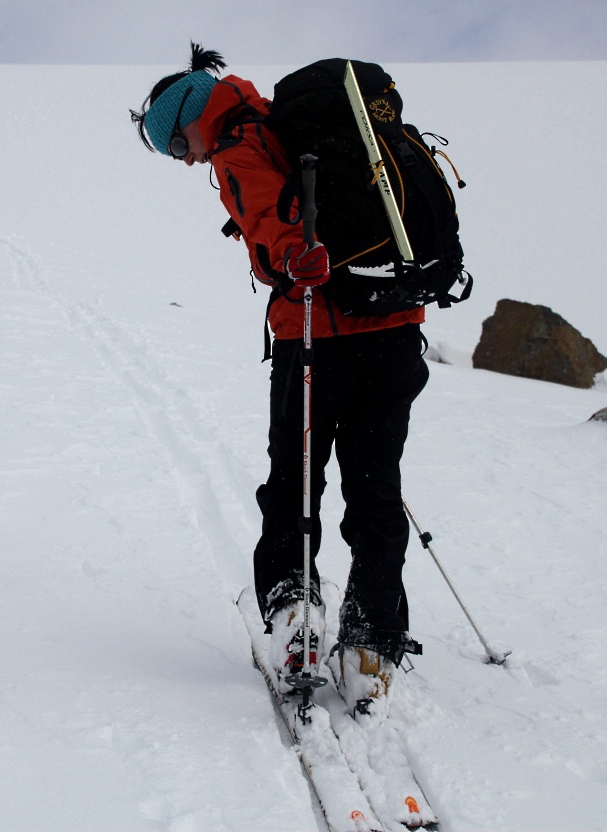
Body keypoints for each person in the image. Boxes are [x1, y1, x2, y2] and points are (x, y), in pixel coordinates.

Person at [130, 44, 429, 716]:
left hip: (316, 337)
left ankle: (294, 615)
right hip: (396, 326)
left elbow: (272, 227)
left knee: (294, 479)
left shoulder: (241, 144)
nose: (189, 161)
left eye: (177, 146)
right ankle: (373, 643)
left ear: (189, 120)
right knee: (377, 485)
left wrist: (292, 256)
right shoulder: (294, 122)